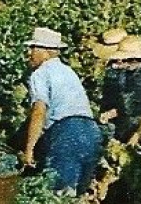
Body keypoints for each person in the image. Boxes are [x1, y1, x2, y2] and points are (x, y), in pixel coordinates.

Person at [20, 27, 101, 195]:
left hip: (67, 134)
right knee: (76, 197)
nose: (29, 53)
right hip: (92, 133)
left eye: (33, 48)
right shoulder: (68, 71)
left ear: (45, 52)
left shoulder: (40, 73)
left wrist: (29, 150)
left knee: (58, 196)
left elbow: (39, 111)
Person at [97, 34, 141, 149]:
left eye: (125, 59)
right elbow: (127, 104)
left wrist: (137, 136)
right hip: (126, 126)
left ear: (135, 59)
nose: (121, 62)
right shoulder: (128, 73)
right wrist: (109, 114)